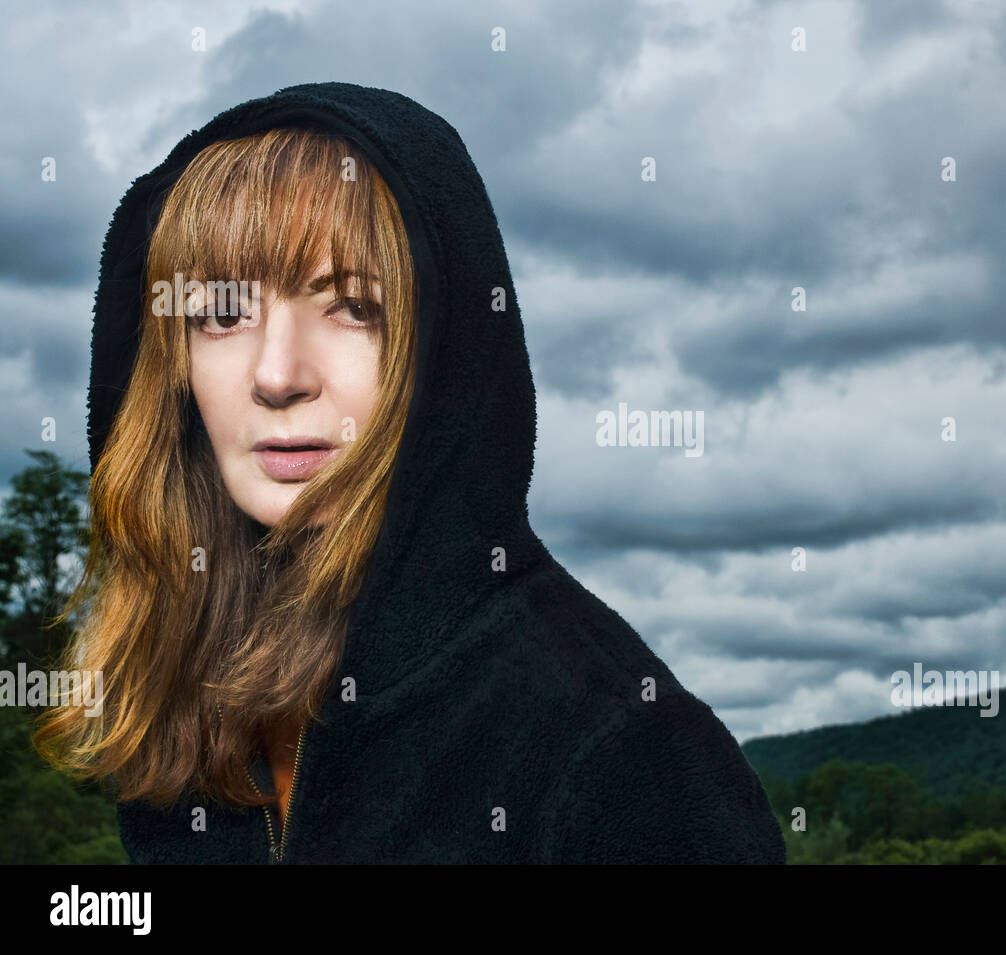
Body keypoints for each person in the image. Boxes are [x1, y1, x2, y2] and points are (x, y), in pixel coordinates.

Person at [34, 82, 786, 864]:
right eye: (223, 312)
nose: (277, 373)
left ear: (443, 350)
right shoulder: (190, 709)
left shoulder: (628, 760)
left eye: (351, 307)